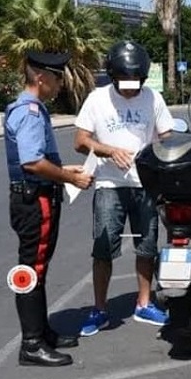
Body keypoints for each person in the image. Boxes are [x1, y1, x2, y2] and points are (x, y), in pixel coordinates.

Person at [74, 41, 175, 337]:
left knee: (147, 246)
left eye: (136, 83)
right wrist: (107, 150)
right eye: (125, 83)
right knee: (103, 248)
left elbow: (167, 135)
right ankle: (100, 309)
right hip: (109, 185)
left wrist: (172, 148)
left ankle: (144, 304)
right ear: (113, 76)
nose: (131, 89)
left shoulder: (153, 99)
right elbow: (80, 141)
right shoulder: (96, 99)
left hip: (145, 185)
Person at [5, 50, 94, 367]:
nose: (60, 85)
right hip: (35, 200)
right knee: (33, 270)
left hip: (35, 195)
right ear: (41, 77)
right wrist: (68, 176)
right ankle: (31, 344)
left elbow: (34, 159)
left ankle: (42, 333)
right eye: (57, 78)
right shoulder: (29, 112)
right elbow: (32, 162)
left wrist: (61, 168)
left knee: (38, 268)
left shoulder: (31, 109)